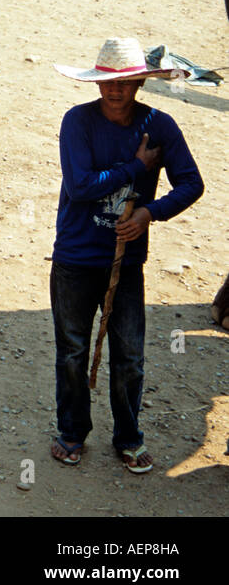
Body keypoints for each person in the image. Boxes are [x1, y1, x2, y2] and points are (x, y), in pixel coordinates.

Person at [49, 37, 203, 474]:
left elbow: (192, 183)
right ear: (98, 82)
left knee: (130, 355)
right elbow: (80, 187)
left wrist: (149, 214)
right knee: (73, 352)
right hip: (76, 257)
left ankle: (129, 437)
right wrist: (137, 168)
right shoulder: (77, 122)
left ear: (140, 82)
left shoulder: (161, 126)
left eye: (126, 82)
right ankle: (72, 433)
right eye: (108, 82)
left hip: (127, 263)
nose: (115, 90)